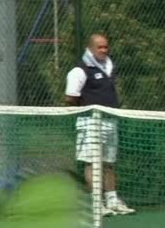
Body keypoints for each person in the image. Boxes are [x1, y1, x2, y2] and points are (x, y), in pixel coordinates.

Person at [65, 34, 135, 216]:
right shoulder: (79, 71)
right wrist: (88, 109)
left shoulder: (109, 68)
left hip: (110, 121)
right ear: (90, 48)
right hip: (90, 122)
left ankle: (112, 200)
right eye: (100, 47)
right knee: (92, 163)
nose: (104, 50)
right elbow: (70, 97)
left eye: (106, 47)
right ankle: (96, 203)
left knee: (109, 163)